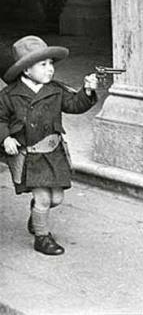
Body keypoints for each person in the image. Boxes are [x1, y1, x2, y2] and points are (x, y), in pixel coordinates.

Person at [0, 35, 98, 256]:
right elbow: (0, 119)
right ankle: (42, 238)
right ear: (26, 70)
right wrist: (5, 138)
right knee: (44, 198)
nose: (50, 69)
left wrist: (87, 91)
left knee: (56, 198)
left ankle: (37, 213)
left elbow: (74, 105)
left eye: (51, 63)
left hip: (53, 153)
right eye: (43, 64)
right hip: (30, 156)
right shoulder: (9, 96)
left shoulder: (55, 90)